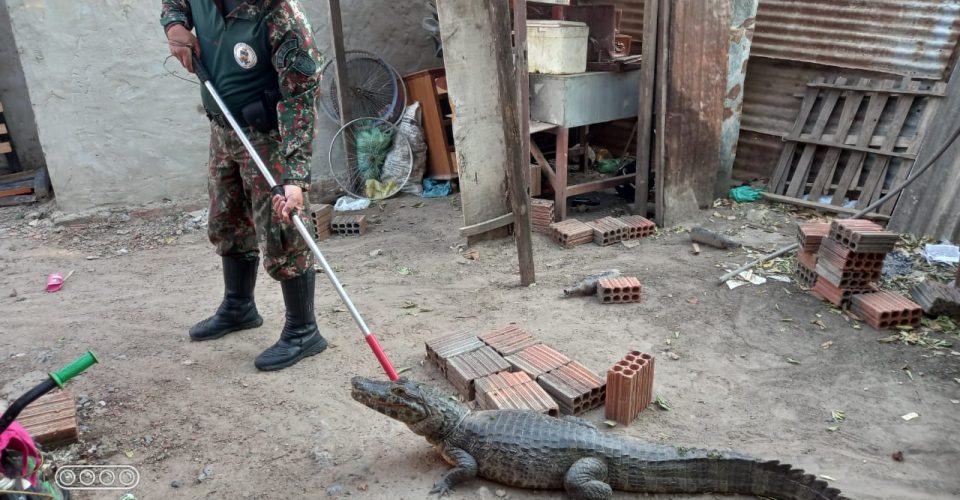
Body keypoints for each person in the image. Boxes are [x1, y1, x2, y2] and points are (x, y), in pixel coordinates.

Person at [160, 0, 327, 371]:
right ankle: (239, 307)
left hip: (269, 137)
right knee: (227, 218)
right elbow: (175, 4)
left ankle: (303, 330)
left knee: (283, 225)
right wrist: (174, 26)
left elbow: (302, 99)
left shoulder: (280, 14)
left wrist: (295, 178)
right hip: (223, 128)